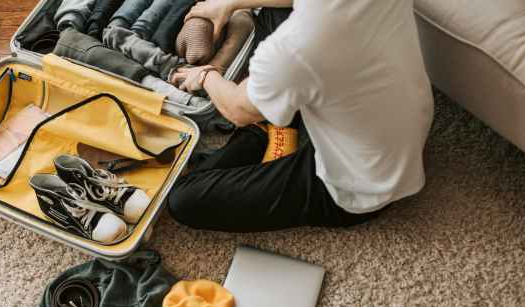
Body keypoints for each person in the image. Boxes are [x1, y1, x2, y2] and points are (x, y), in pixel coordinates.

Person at [167, 0, 434, 232]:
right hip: (401, 124)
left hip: (362, 185)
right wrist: (229, 3)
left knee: (183, 197)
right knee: (274, 15)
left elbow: (237, 110)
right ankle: (273, 117)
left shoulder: (291, 50)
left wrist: (205, 75)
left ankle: (264, 128)